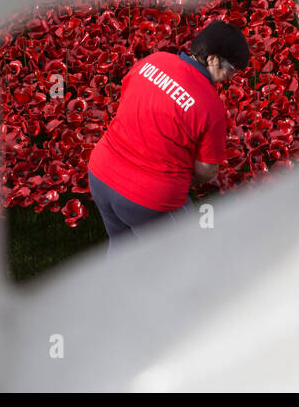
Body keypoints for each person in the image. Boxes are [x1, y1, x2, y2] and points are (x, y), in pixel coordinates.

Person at [86, 20, 249, 253]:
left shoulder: (152, 61)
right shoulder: (210, 106)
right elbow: (206, 170)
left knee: (121, 250)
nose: (231, 77)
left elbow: (128, 103)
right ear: (212, 59)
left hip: (100, 174)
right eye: (231, 69)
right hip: (148, 199)